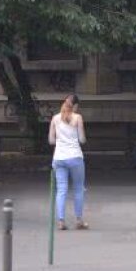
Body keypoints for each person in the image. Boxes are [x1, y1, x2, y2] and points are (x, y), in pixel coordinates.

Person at [48, 94, 88, 231]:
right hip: (75, 157)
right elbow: (82, 139)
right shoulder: (78, 118)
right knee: (78, 189)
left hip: (59, 158)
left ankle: (61, 221)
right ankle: (78, 220)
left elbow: (51, 141)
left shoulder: (55, 119)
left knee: (61, 190)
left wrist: (61, 139)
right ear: (75, 106)